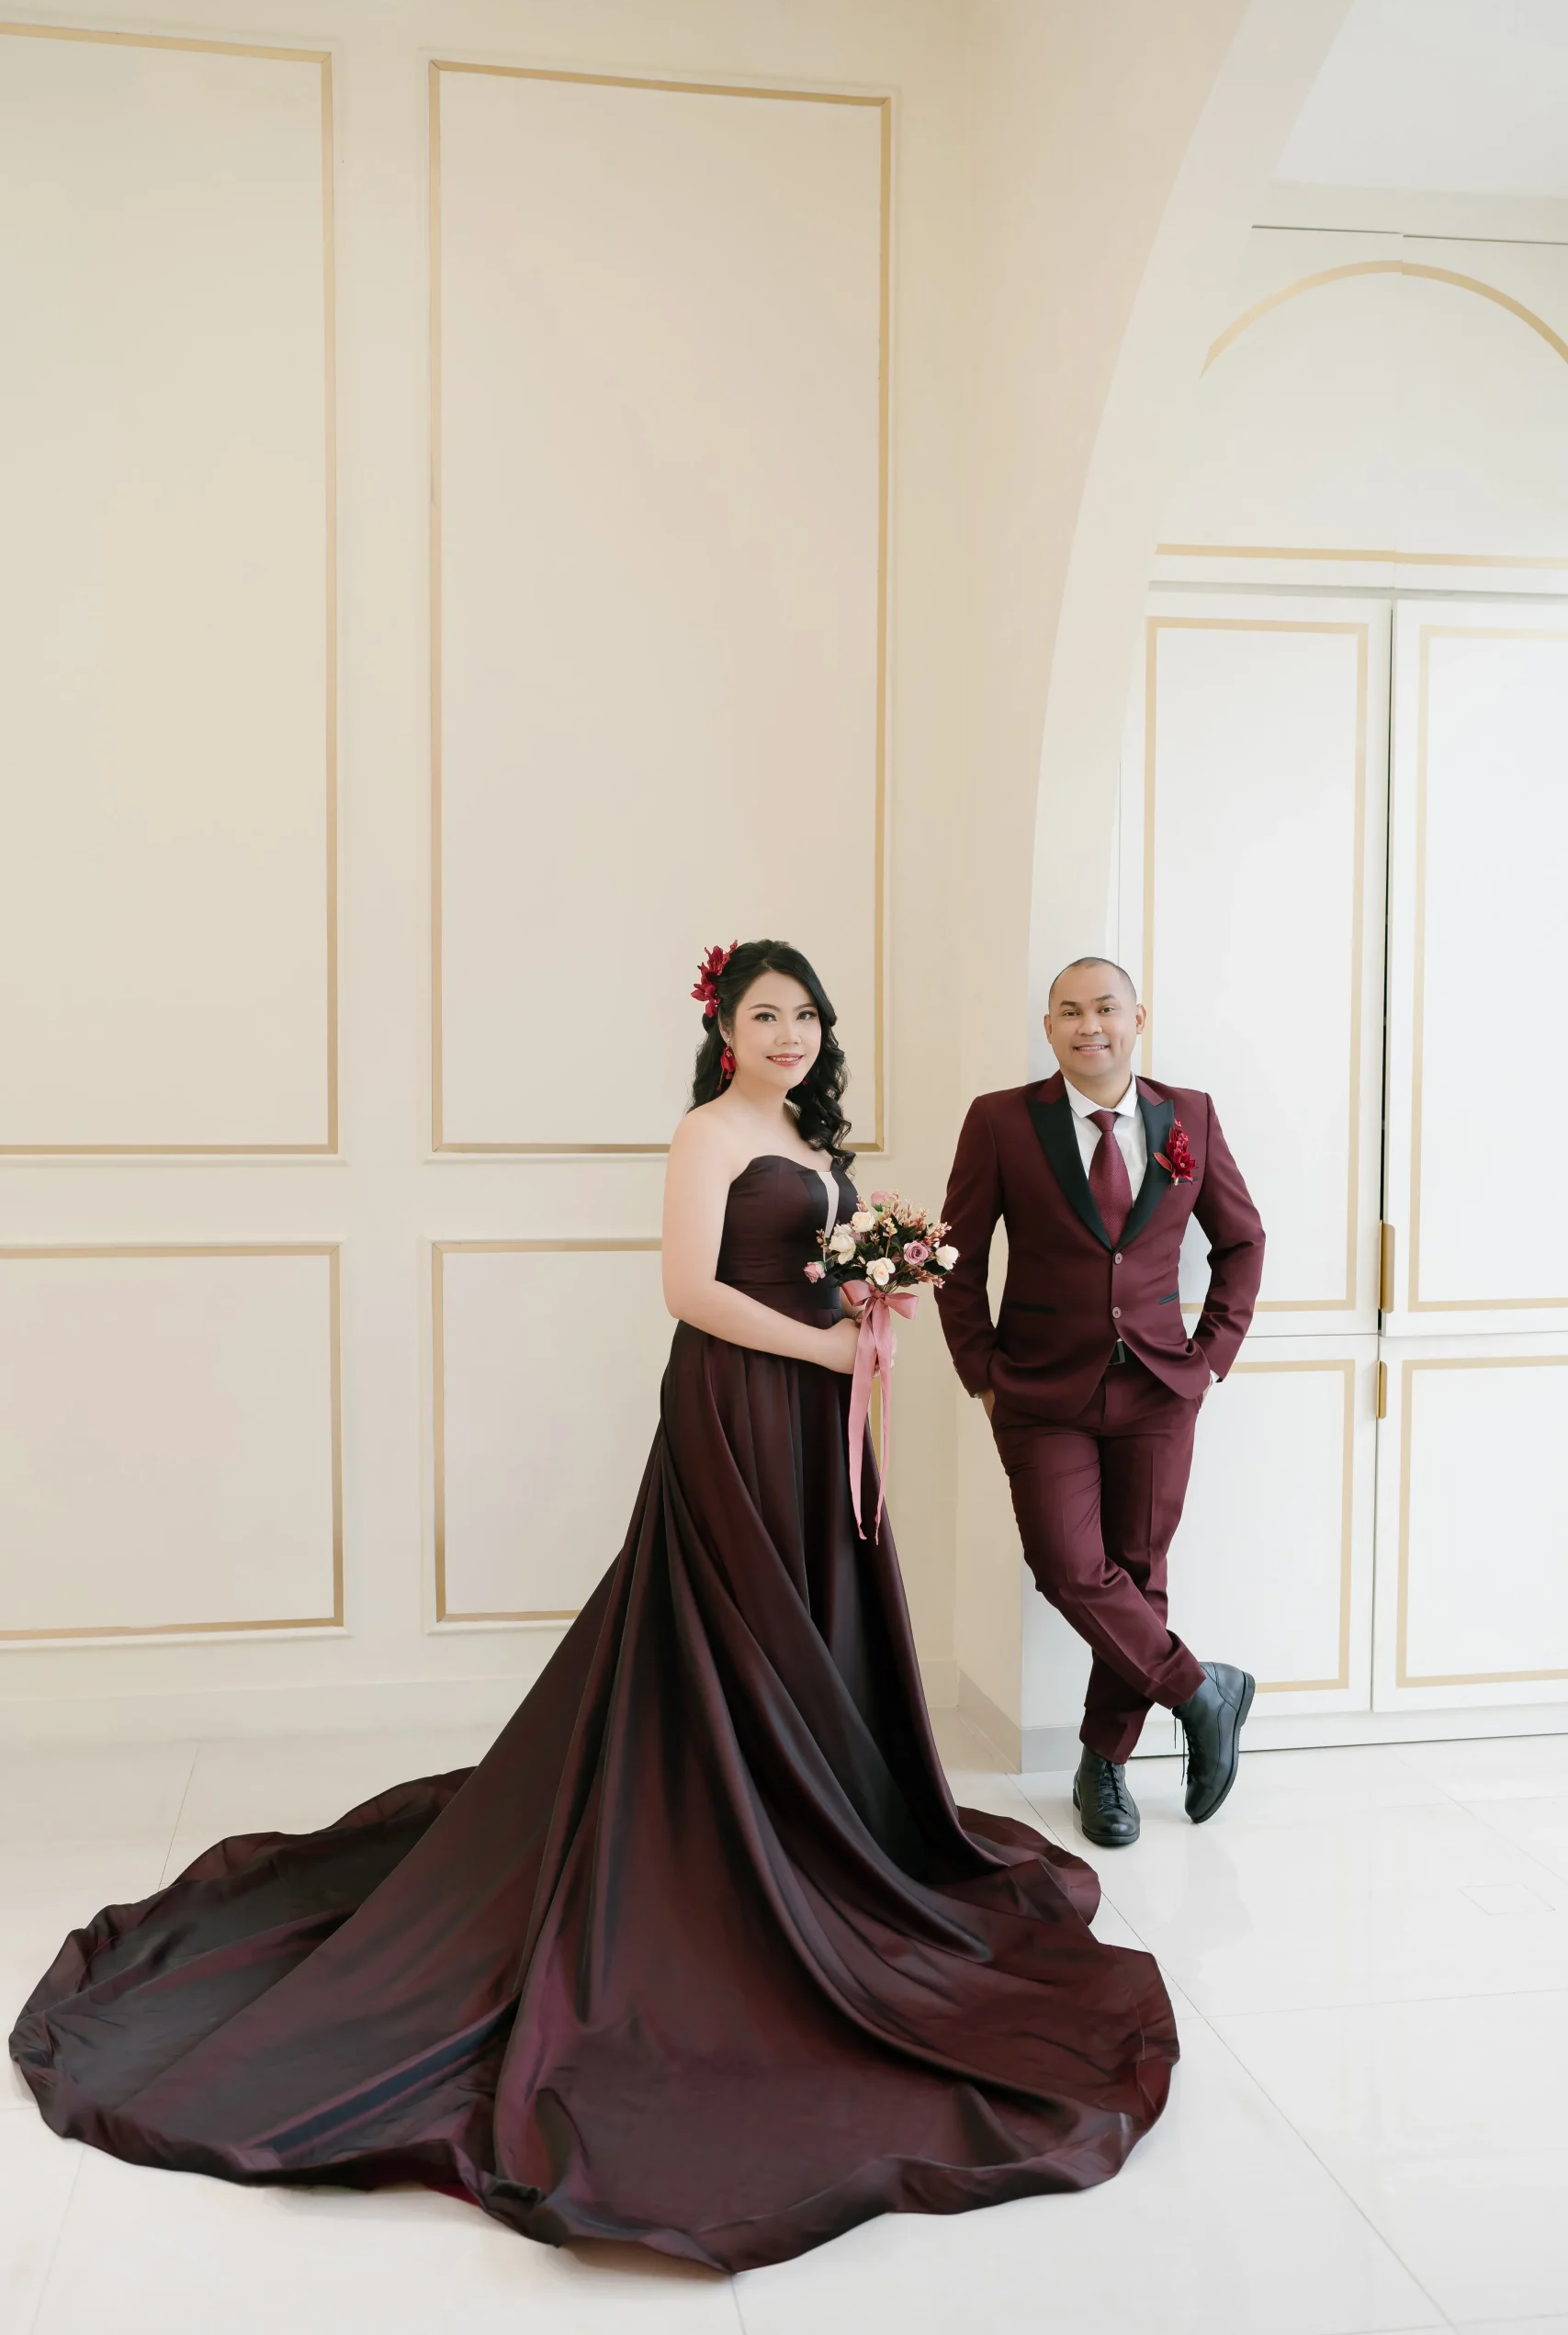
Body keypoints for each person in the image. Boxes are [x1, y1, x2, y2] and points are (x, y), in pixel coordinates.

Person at [12, 940, 1178, 2273]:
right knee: (734, 1632)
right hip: (738, 1408)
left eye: (804, 1015)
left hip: (814, 1416)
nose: (788, 1035)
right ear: (723, 1028)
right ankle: (733, 1855)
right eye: (764, 1015)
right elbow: (690, 1291)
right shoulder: (707, 1134)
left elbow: (820, 1274)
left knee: (806, 1632)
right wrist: (825, 1339)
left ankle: (813, 1833)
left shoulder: (806, 1136)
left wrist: (867, 1308)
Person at [940, 957, 1265, 1850]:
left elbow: (1241, 1241)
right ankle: (1201, 1691)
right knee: (1067, 1565)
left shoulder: (1189, 1115)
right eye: (1070, 1012)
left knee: (1138, 1569)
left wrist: (1209, 1361)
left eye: (1106, 1008)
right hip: (1038, 1388)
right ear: (1048, 1026)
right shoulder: (1001, 1120)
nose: (1090, 1026)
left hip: (1161, 1385)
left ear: (1137, 1018)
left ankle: (1104, 1767)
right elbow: (957, 1259)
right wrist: (983, 1371)